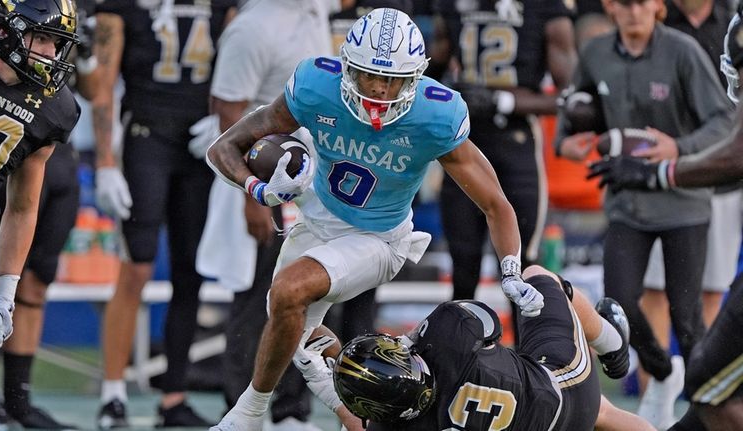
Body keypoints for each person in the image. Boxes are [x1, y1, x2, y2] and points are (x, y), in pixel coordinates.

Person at [205, 7, 545, 431]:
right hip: (317, 220)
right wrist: (259, 190)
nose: (381, 90)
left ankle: (248, 414)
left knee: (290, 291)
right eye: (370, 75)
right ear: (347, 66)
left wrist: (511, 269)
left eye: (394, 80)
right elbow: (223, 148)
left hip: (380, 238)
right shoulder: (315, 86)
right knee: (298, 336)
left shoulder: (435, 114)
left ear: (416, 77)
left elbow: (496, 202)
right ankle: (369, 424)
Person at [555, 0, 733, 427]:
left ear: (657, 5)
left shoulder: (684, 51)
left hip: (683, 201)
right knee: (617, 301)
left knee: (688, 318)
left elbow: (725, 121)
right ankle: (665, 372)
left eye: (642, 1)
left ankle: (703, 411)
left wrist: (678, 148)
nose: (633, 10)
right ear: (609, 6)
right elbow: (571, 117)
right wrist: (568, 142)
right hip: (626, 203)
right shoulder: (595, 54)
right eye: (624, 2)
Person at [192, 0, 346, 429]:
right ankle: (240, 406)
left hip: (311, 177)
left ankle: (290, 409)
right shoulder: (253, 27)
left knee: (308, 295)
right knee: (257, 294)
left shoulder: (312, 9)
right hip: (264, 175)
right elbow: (228, 111)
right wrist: (252, 196)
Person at [90, 0, 236, 427]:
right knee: (137, 264)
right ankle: (113, 393)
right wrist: (103, 161)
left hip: (199, 142)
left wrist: (226, 123)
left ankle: (173, 396)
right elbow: (102, 78)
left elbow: (242, 58)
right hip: (146, 137)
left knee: (190, 273)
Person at [333, 265, 655, 431]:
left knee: (598, 413)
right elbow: (489, 326)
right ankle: (613, 345)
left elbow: (356, 421)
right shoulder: (447, 333)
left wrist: (325, 375)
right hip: (561, 396)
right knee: (537, 276)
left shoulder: (393, 426)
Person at [0, 2, 96, 429]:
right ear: (6, 30)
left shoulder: (53, 107)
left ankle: (12, 401)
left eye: (55, 43)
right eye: (41, 38)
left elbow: (22, 206)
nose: (49, 53)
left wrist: (6, 290)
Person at [432, 0, 577, 310]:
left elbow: (571, 95)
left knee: (522, 269)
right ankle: (458, 355)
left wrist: (503, 101)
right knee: (463, 262)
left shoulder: (545, 10)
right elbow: (427, 72)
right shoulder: (452, 6)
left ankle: (531, 357)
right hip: (463, 140)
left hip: (517, 140)